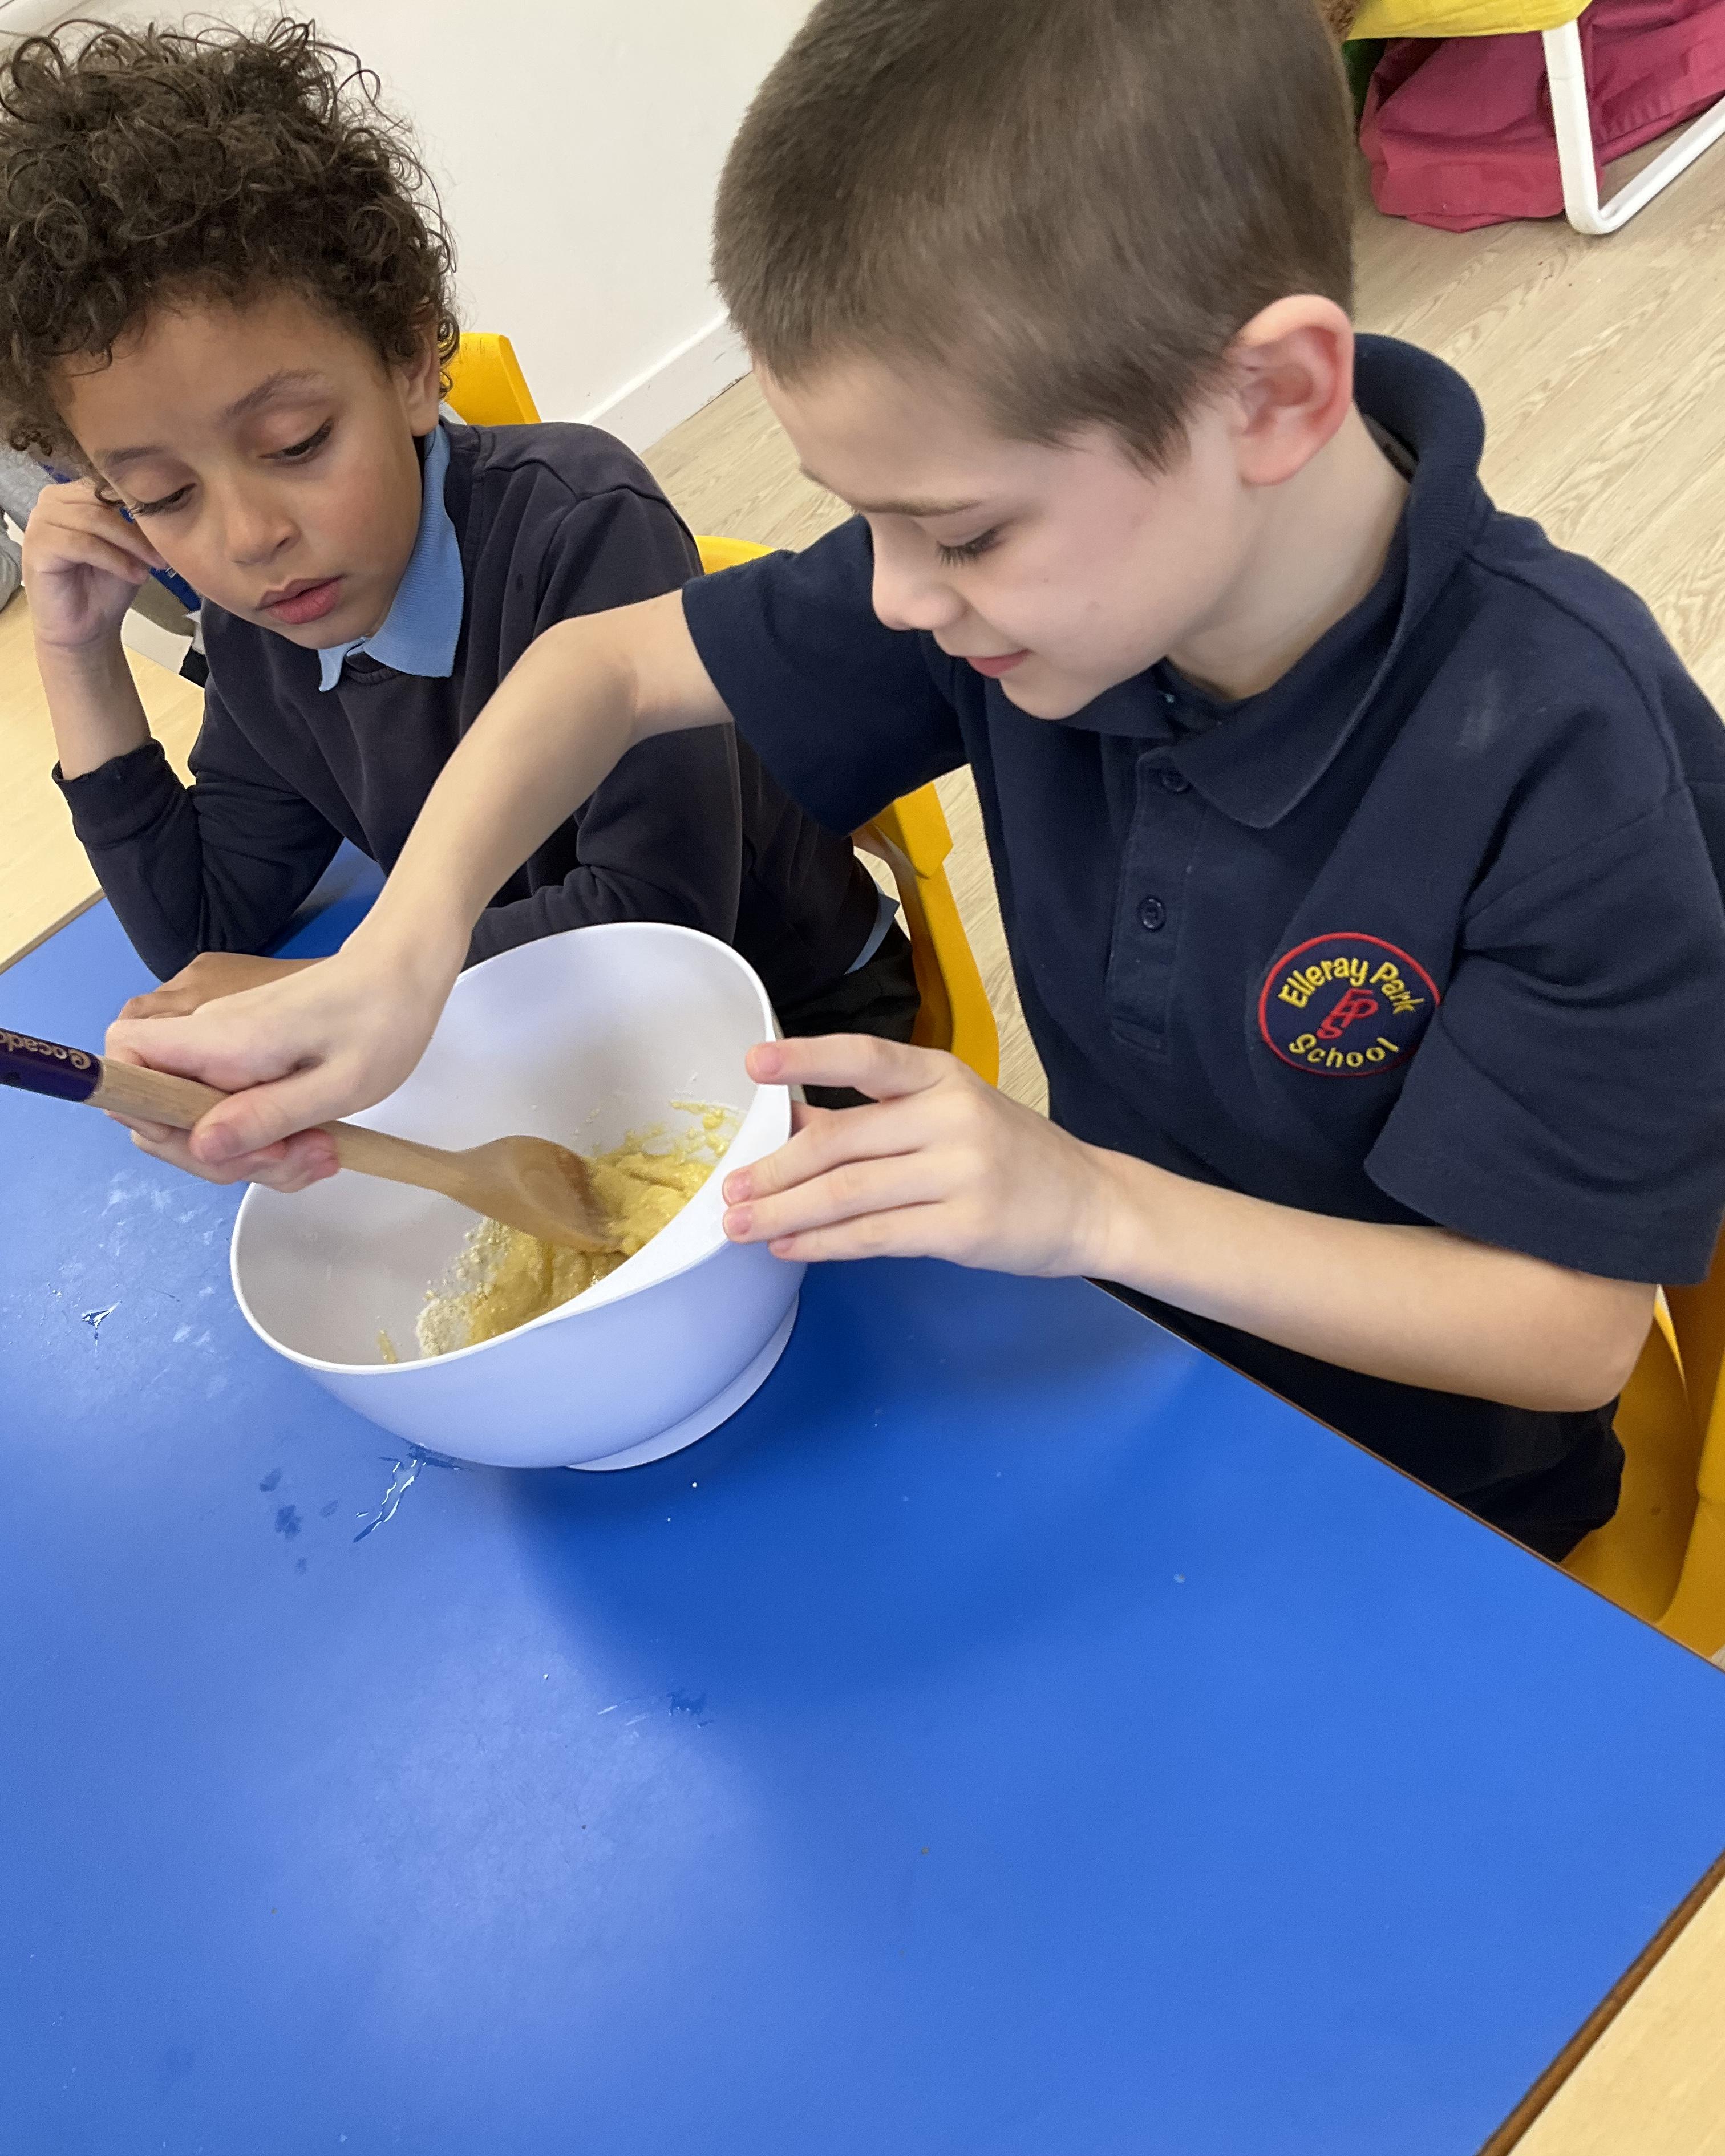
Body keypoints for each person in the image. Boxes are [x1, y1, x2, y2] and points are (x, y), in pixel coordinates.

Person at [106, 0, 1725, 1559]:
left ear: (1272, 397)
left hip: (1420, 1499)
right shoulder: (1044, 588)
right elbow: (601, 670)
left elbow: (1566, 1331)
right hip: (1112, 1351)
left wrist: (1086, 1207)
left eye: (959, 531)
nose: (891, 597)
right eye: (859, 516)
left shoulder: (1567, 758)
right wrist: (403, 961)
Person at [0, 19, 916, 1081]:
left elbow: (659, 915)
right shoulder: (267, 625)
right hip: (534, 1035)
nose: (250, 538)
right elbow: (205, 923)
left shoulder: (578, 527)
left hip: (785, 1017)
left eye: (297, 444)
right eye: (163, 495)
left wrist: (325, 988)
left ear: (407, 361)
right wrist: (77, 655)